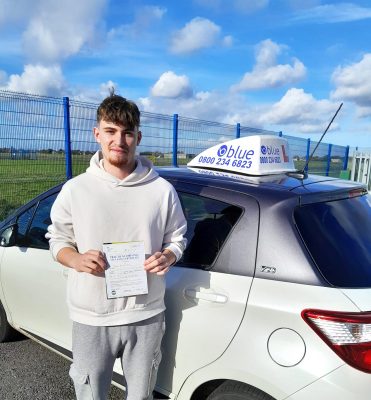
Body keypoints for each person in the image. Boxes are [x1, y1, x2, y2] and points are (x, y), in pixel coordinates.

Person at [47, 94, 187, 400]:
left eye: (127, 132)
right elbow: (57, 239)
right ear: (97, 134)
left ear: (138, 137)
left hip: (147, 314)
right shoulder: (76, 190)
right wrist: (76, 259)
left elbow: (177, 238)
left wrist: (169, 255)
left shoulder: (162, 191)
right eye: (110, 131)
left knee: (141, 396)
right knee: (90, 394)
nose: (118, 140)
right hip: (92, 316)